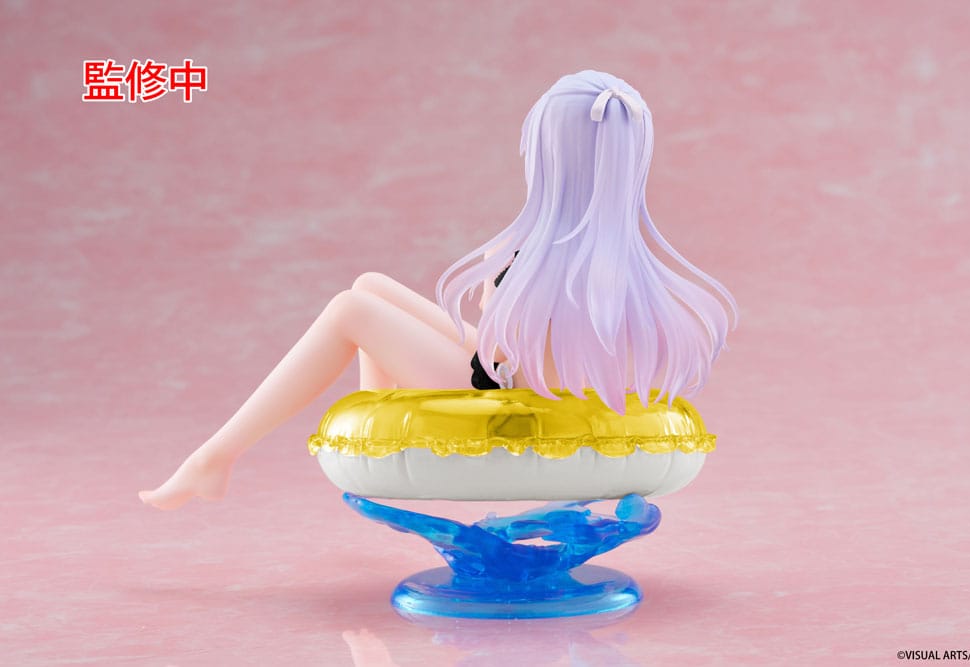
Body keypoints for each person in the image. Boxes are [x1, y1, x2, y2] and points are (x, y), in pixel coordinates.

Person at [139, 70, 737, 511]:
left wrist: (501, 291)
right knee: (370, 286)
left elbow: (521, 361)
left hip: (510, 393)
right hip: (508, 370)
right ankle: (380, 425)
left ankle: (214, 457)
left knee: (350, 311)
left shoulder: (571, 258)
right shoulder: (608, 250)